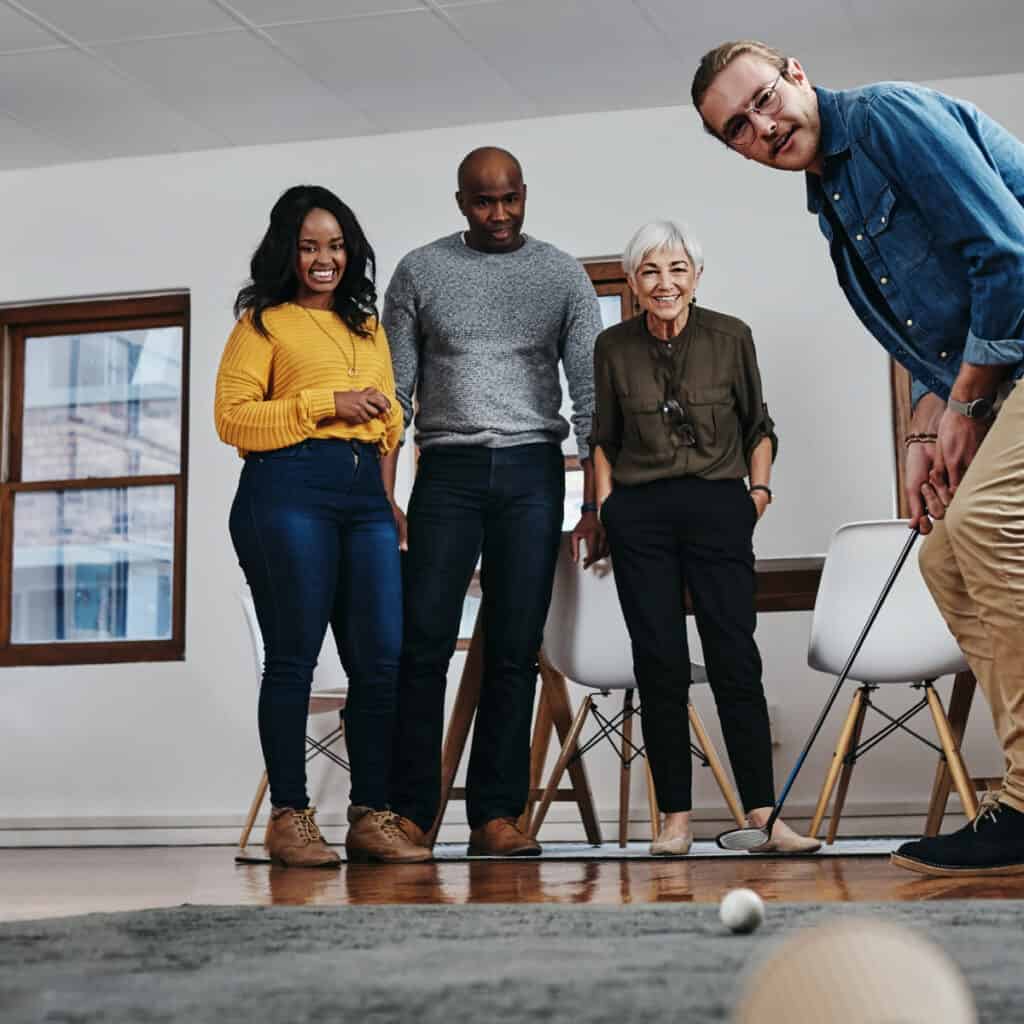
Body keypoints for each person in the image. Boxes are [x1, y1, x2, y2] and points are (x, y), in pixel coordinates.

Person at [693, 41, 1024, 875]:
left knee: (981, 524)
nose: (763, 127)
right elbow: (926, 335)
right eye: (738, 128)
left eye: (764, 99)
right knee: (945, 558)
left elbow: (1009, 258)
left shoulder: (884, 118)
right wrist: (924, 432)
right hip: (995, 377)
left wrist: (967, 406)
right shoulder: (831, 198)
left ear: (796, 73)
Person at [383, 146, 604, 857]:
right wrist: (385, 495)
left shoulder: (561, 275)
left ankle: (497, 817)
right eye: (484, 201)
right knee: (422, 646)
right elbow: (395, 398)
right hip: (446, 472)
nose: (499, 213)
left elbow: (591, 399)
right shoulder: (420, 271)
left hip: (534, 474)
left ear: (525, 194)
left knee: (515, 649)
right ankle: (411, 813)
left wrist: (597, 503)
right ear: (460, 203)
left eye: (510, 198)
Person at [215, 185, 429, 867]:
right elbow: (233, 418)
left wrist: (381, 434)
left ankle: (371, 815)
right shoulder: (263, 324)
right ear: (288, 250)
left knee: (381, 661)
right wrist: (326, 402)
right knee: (294, 659)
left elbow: (394, 418)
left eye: (335, 246)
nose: (324, 259)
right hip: (286, 492)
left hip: (364, 496)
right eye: (309, 247)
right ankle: (290, 816)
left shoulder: (365, 326)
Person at [592, 220, 820, 856]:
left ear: (695, 275)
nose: (664, 284)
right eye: (650, 272)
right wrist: (608, 507)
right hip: (641, 513)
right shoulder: (612, 347)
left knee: (734, 659)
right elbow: (603, 436)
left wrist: (758, 494)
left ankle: (763, 816)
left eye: (677, 270)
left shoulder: (731, 336)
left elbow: (759, 425)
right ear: (633, 282)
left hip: (720, 506)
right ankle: (675, 821)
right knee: (659, 662)